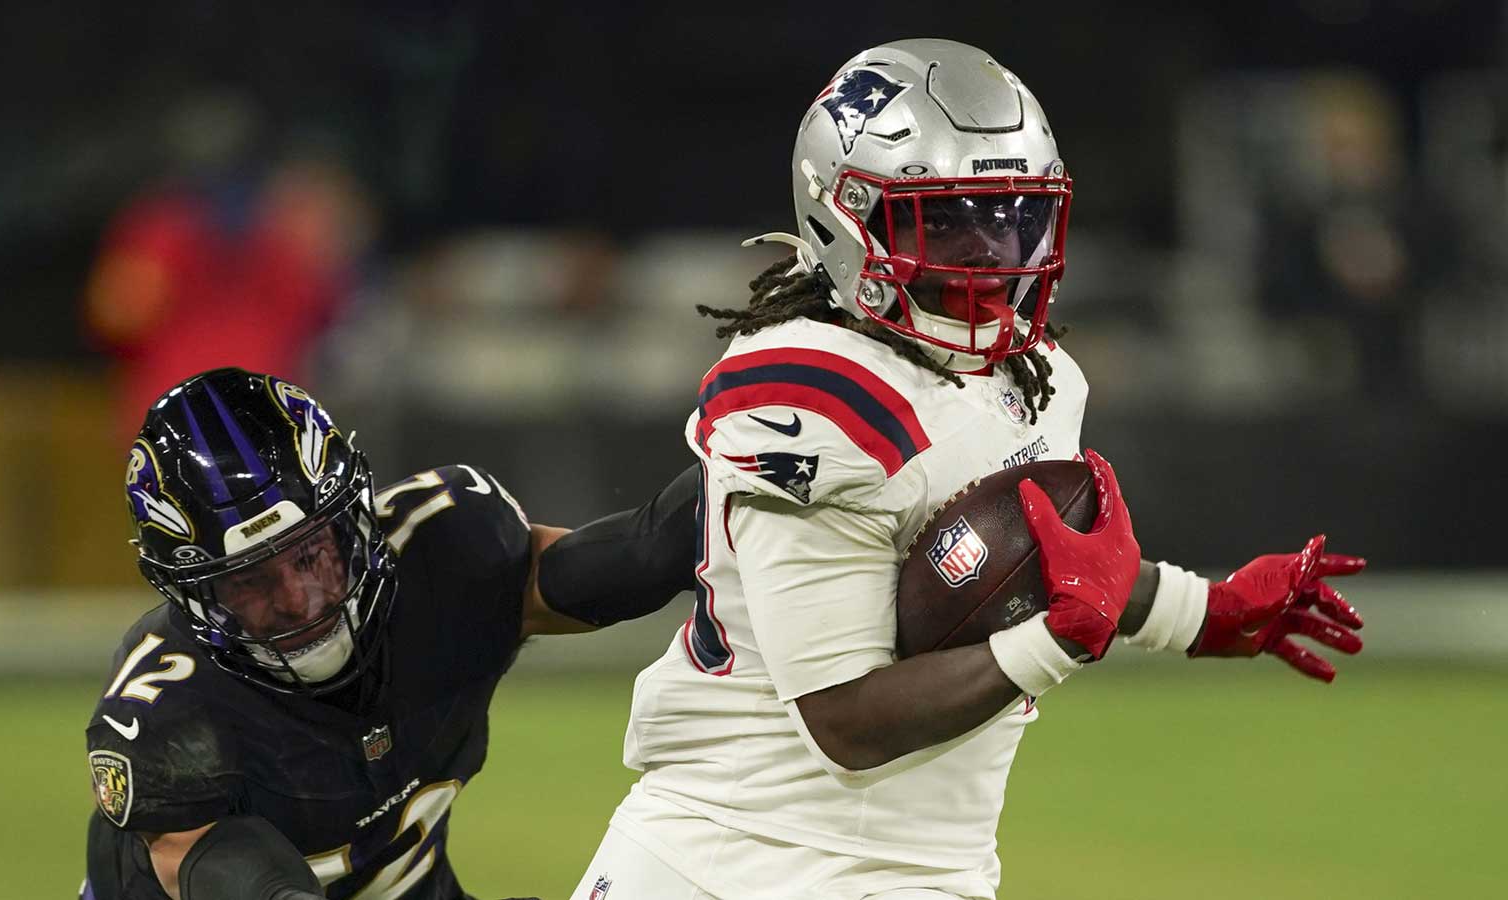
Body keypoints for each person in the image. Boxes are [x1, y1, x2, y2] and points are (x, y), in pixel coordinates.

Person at [568, 40, 1366, 900]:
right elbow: (844, 720)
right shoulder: (818, 395)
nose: (989, 248)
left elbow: (1039, 559)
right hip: (729, 850)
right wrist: (1056, 642)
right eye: (945, 218)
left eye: (1011, 210)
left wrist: (1198, 611)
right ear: (846, 218)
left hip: (919, 866)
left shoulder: (1040, 378)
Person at [83, 367, 698, 900]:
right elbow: (240, 877)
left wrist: (740, 458)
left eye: (309, 554)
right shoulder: (169, 704)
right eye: (250, 581)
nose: (300, 602)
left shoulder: (446, 553)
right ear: (194, 593)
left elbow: (638, 557)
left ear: (353, 520)